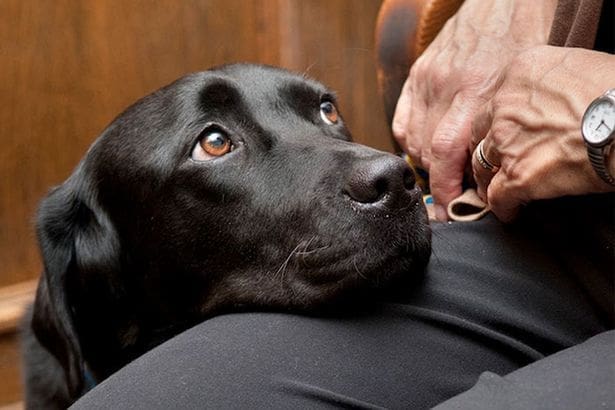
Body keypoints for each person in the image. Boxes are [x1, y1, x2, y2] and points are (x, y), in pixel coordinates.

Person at [71, 0, 614, 408]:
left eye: (327, 114)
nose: (376, 166)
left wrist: (603, 116)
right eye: (214, 144)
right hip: (544, 237)